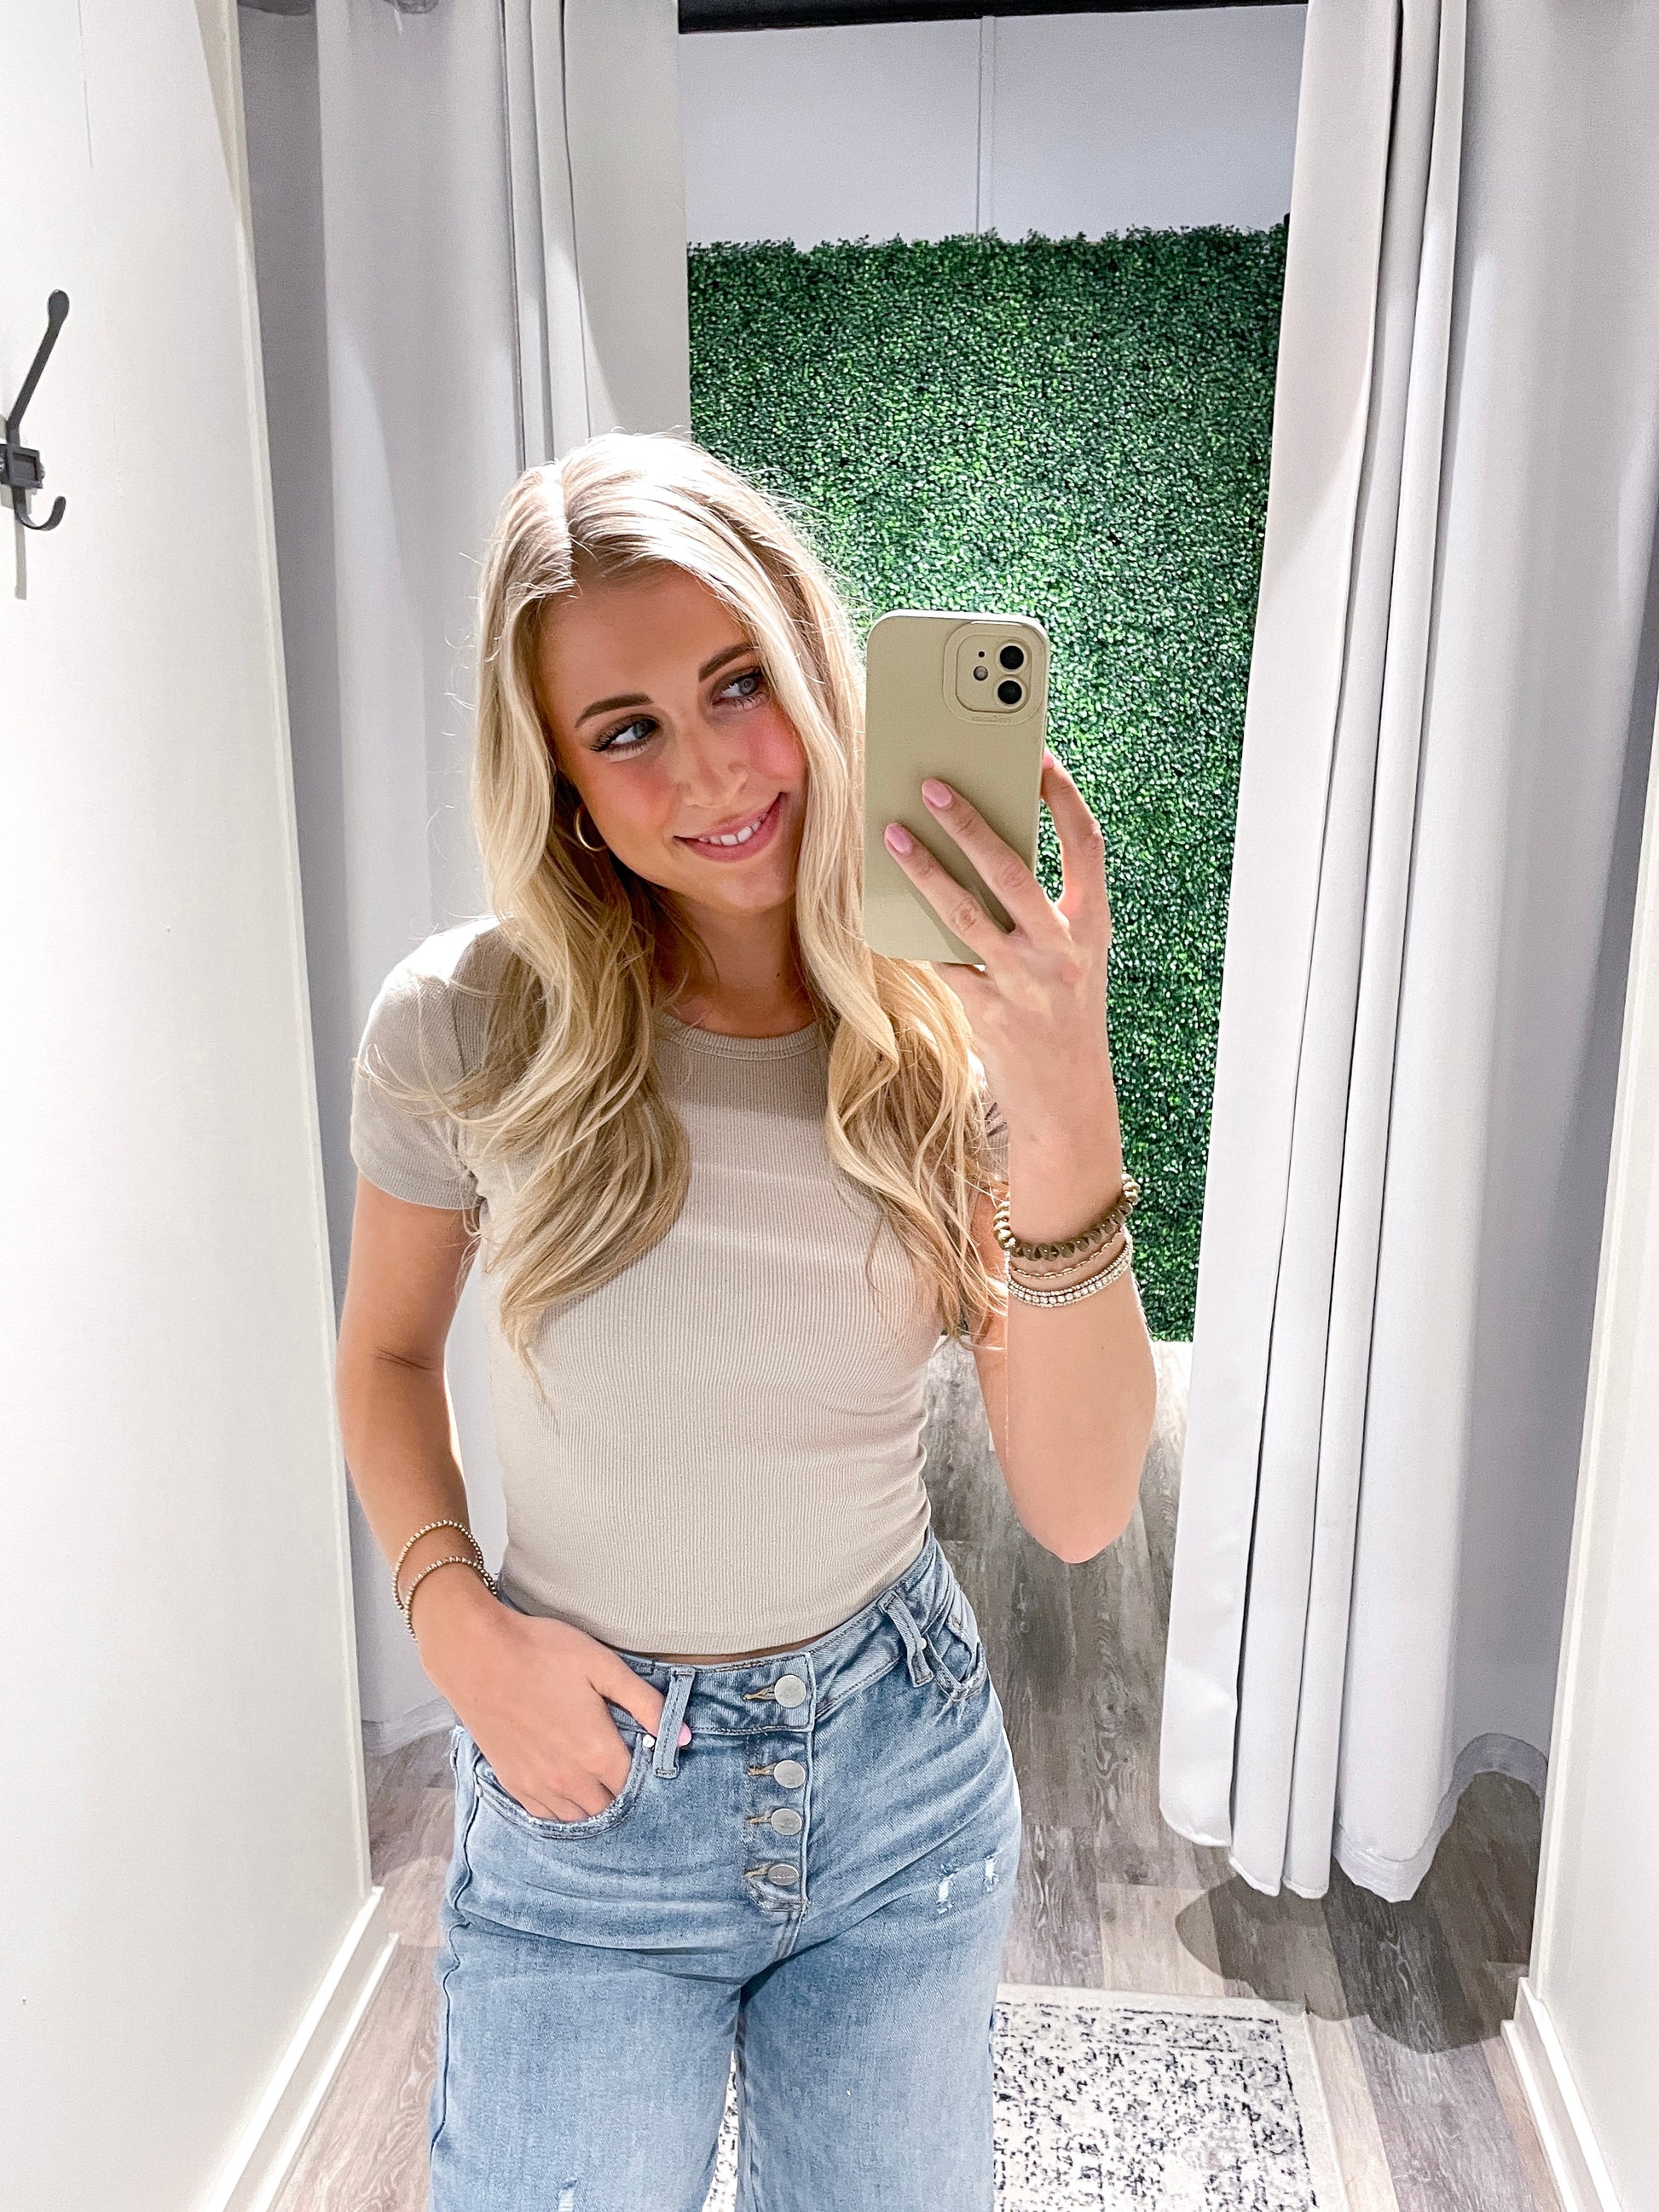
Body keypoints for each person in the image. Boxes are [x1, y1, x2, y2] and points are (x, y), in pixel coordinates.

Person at [335, 430, 1158, 2212]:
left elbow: (1083, 1504)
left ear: (810, 666)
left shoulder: (944, 1036)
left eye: (736, 683)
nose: (711, 769)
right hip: (586, 1795)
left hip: (898, 1783)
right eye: (625, 728)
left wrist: (1065, 1083)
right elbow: (386, 1356)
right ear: (560, 777)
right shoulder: (468, 1025)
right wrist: (455, 1623)